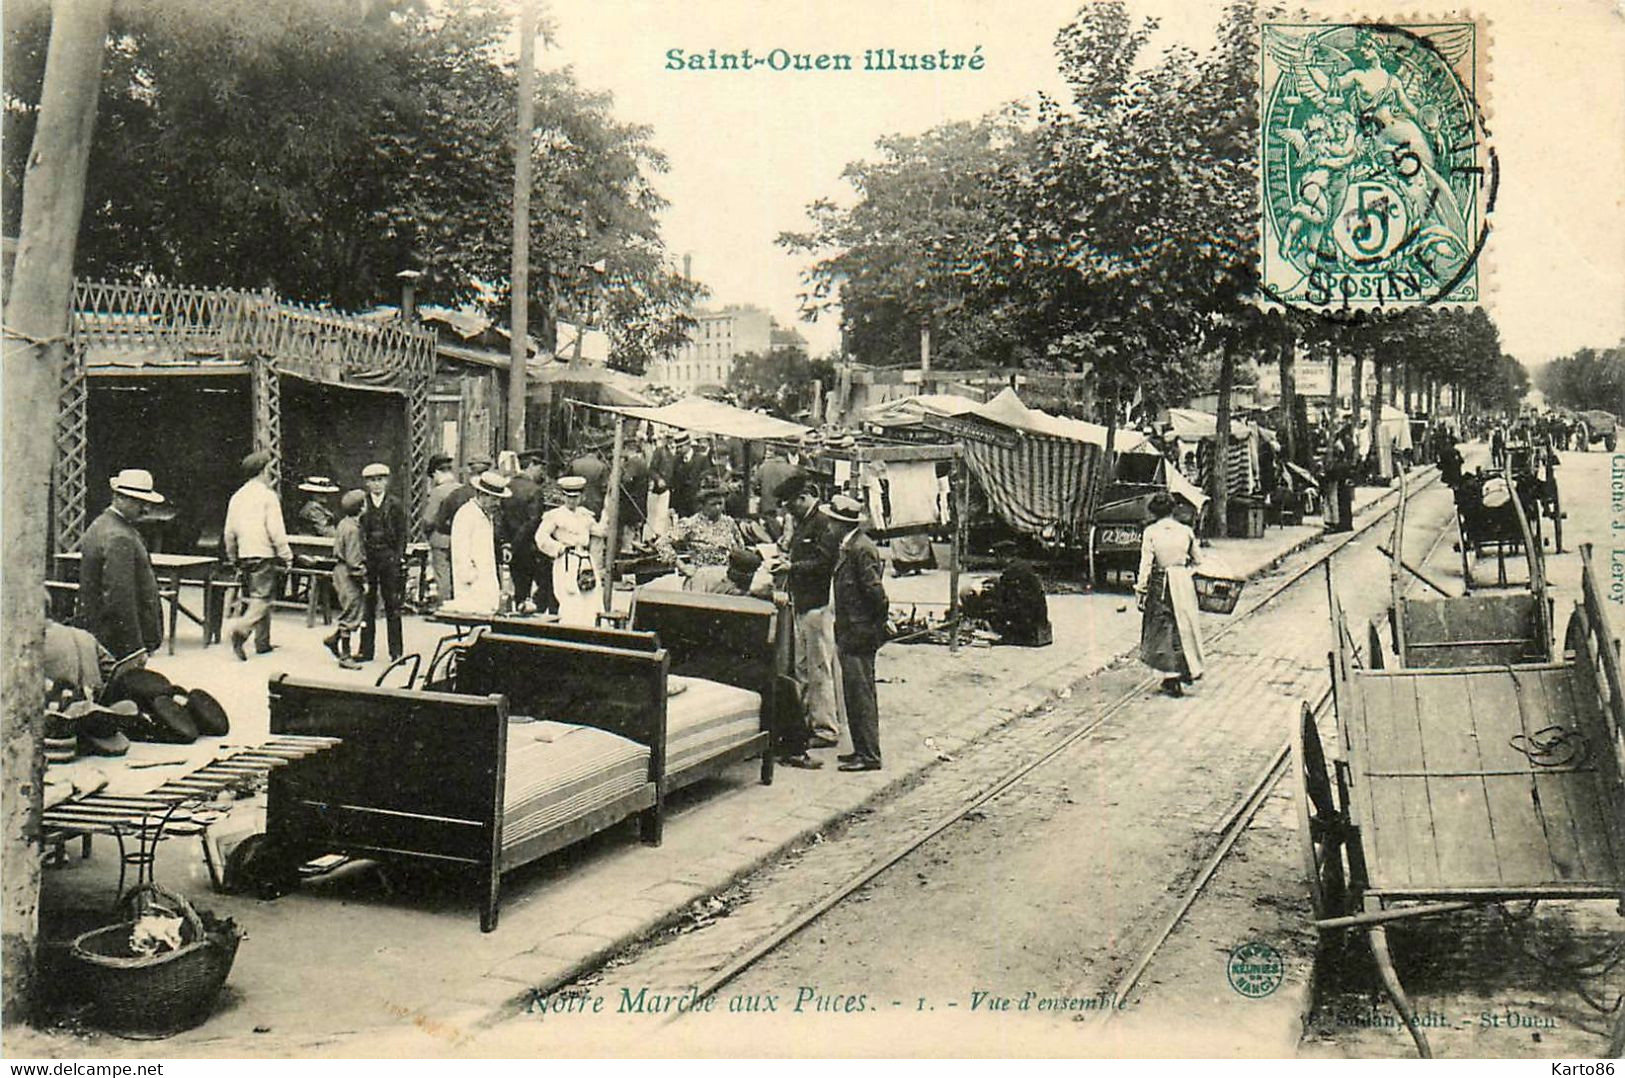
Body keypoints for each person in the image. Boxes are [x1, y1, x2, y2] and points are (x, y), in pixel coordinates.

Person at [823, 494, 889, 772]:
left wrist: (873, 628)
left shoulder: (860, 548)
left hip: (859, 633)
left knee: (860, 694)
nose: (828, 526)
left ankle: (869, 755)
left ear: (842, 523)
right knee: (853, 693)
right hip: (851, 630)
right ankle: (861, 749)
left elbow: (877, 594)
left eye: (832, 522)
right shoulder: (850, 545)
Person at [779, 473, 841, 757]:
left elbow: (824, 563)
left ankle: (826, 729)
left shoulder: (823, 523)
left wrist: (791, 568)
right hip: (803, 603)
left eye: (792, 506)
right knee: (804, 667)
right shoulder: (806, 521)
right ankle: (807, 721)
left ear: (803, 499)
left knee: (819, 669)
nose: (789, 512)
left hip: (817, 605)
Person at [77, 469, 167, 659]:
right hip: (117, 642)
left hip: (103, 636)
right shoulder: (119, 536)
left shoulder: (102, 525)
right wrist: (134, 648)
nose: (146, 509)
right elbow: (120, 598)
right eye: (140, 502)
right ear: (119, 497)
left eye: (148, 503)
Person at [1134, 493, 1206, 698]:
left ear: (1153, 512)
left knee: (1161, 627)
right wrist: (1185, 572)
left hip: (1160, 581)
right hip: (1182, 580)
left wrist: (1140, 589)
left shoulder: (1151, 532)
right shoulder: (1186, 531)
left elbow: (1146, 564)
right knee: (1182, 625)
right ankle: (1185, 669)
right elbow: (1199, 561)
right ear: (1173, 509)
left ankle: (1170, 675)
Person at [223, 451, 293, 661]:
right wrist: (286, 553)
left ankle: (263, 643)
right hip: (263, 554)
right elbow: (275, 529)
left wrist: (233, 556)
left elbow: (229, 532)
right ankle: (242, 630)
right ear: (263, 471)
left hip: (245, 554)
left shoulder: (237, 497)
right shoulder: (268, 496)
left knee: (256, 596)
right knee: (263, 598)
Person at [535, 475, 606, 626]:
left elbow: (599, 531)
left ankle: (590, 627)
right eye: (568, 497)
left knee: (591, 596)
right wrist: (558, 548)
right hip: (566, 560)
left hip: (585, 560)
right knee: (570, 598)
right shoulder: (555, 516)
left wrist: (607, 514)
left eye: (575, 497)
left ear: (581, 497)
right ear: (563, 496)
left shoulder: (585, 515)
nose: (572, 501)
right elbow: (541, 537)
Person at [357, 462, 408, 663]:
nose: (376, 485)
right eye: (372, 481)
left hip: (389, 559)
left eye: (380, 480)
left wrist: (398, 557)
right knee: (367, 605)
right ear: (367, 484)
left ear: (386, 481)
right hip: (369, 559)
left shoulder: (394, 504)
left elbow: (403, 533)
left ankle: (396, 652)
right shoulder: (362, 504)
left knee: (392, 605)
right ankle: (365, 650)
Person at [446, 470, 511, 613]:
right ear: (482, 495)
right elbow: (460, 551)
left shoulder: (486, 515)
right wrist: (470, 577)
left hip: (485, 581)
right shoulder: (466, 515)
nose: (497, 503)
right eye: (494, 499)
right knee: (477, 620)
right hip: (473, 585)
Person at [322, 490, 367, 669]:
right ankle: (345, 655)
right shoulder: (353, 530)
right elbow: (354, 560)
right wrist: (363, 579)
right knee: (351, 611)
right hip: (349, 573)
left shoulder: (344, 523)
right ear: (361, 507)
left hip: (340, 570)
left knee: (351, 609)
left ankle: (334, 640)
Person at [503, 450, 548, 613]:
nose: (542, 472)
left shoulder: (507, 487)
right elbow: (533, 521)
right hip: (530, 548)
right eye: (540, 468)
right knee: (546, 584)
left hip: (511, 548)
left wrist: (508, 544)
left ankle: (519, 618)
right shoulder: (534, 490)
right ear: (531, 466)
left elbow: (501, 518)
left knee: (519, 589)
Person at [661, 485, 747, 566]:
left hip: (726, 574)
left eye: (720, 503)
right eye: (713, 504)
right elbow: (662, 543)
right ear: (702, 505)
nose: (718, 508)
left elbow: (741, 548)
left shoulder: (729, 522)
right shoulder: (690, 523)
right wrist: (682, 566)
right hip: (702, 574)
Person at [422, 455, 457, 606]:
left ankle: (444, 605)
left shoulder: (438, 492)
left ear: (436, 473)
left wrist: (427, 533)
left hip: (440, 539)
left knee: (442, 576)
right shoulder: (460, 488)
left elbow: (428, 519)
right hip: (458, 538)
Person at [683, 546, 773, 599]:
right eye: (744, 575)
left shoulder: (755, 581)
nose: (748, 578)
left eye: (750, 575)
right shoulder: (705, 576)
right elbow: (694, 601)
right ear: (732, 569)